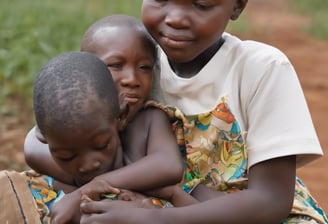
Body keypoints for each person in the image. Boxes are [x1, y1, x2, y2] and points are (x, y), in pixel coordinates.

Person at [79, 1, 328, 224]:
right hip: (157, 203)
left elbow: (271, 200)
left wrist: (154, 218)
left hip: (251, 216)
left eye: (201, 4)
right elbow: (52, 138)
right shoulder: (133, 66)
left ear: (237, 6)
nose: (175, 17)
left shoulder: (261, 69)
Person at [24, 15, 184, 224]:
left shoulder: (150, 118)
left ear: (121, 118)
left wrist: (94, 186)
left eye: (144, 67)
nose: (131, 79)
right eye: (116, 65)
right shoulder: (67, 117)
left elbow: (168, 166)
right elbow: (32, 147)